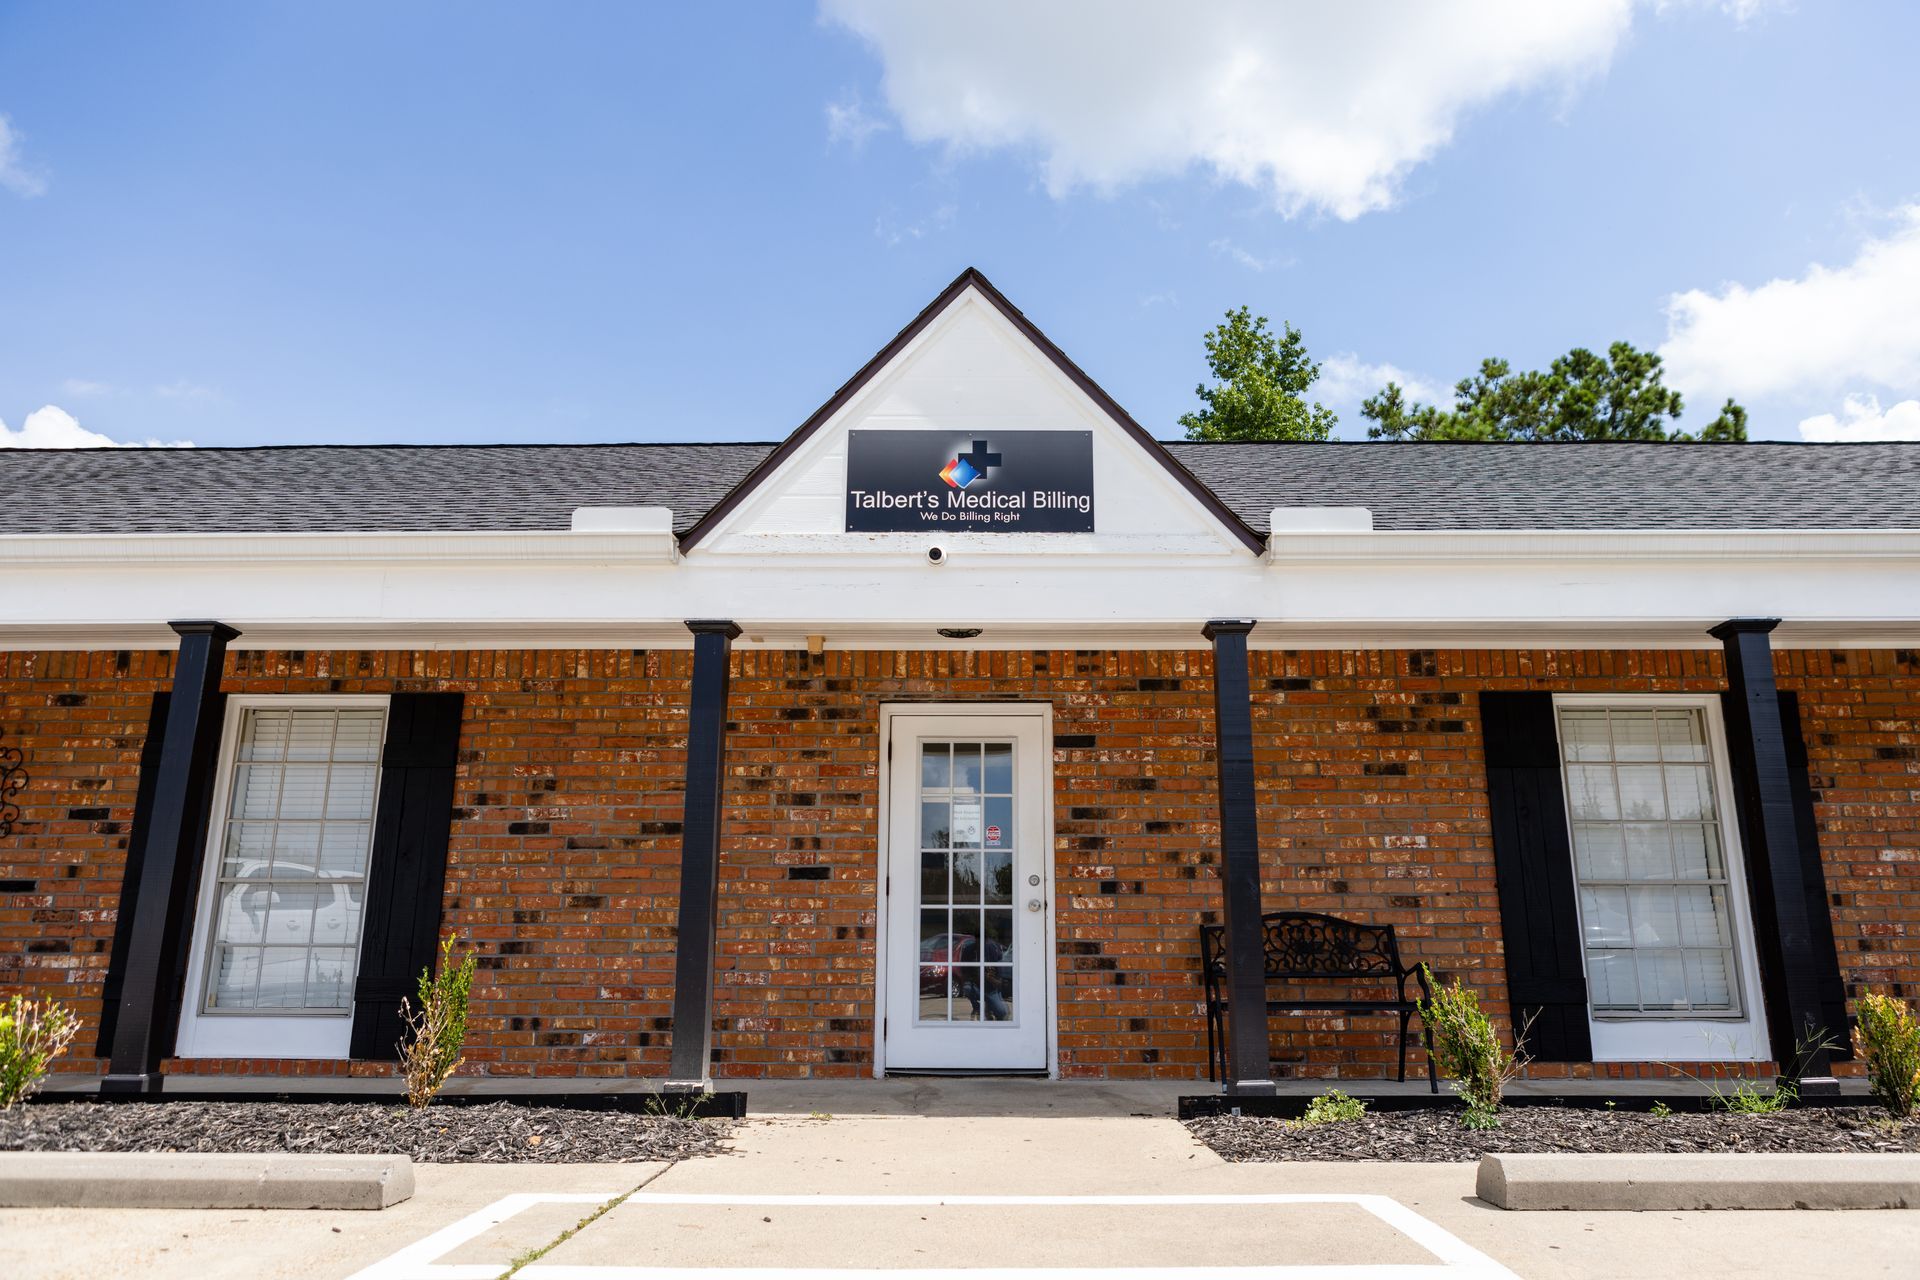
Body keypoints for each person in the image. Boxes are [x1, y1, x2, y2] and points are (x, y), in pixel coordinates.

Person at [956, 935, 1011, 1020]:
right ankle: (979, 1008)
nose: (980, 943)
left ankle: (992, 1007)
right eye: (978, 939)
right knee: (967, 988)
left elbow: (999, 981)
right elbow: (964, 972)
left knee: (1002, 1013)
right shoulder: (969, 950)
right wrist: (970, 979)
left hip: (990, 989)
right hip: (976, 986)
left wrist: (990, 978)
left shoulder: (992, 949)